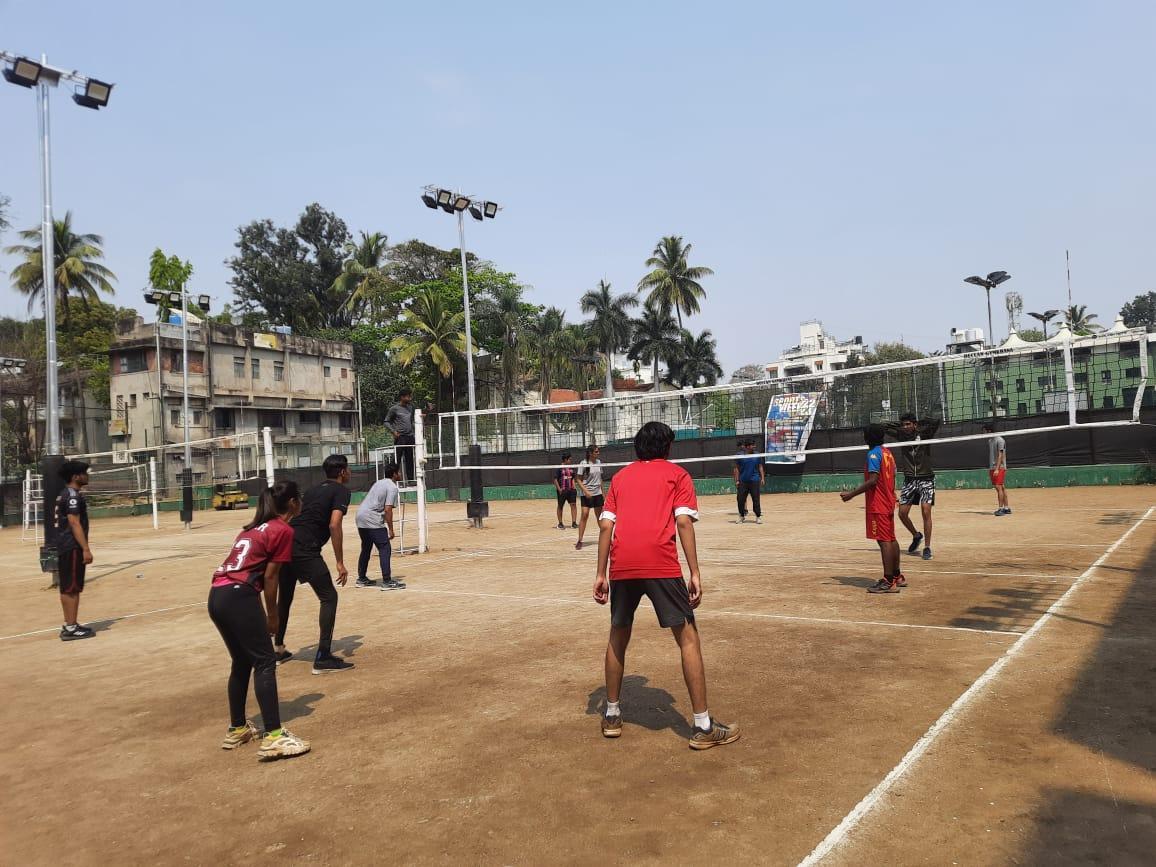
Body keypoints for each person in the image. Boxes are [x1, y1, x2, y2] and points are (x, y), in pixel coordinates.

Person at [592, 421, 740, 750]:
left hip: (623, 565)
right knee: (688, 638)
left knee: (618, 633)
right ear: (668, 448)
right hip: (660, 563)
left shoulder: (620, 477)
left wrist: (601, 573)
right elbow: (683, 521)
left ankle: (612, 715)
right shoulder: (678, 475)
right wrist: (695, 572)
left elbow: (605, 527)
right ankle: (702, 726)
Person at [208, 481, 311, 762]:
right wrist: (273, 616)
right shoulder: (283, 530)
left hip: (217, 594)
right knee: (265, 662)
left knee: (241, 661)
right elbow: (270, 577)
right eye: (299, 498)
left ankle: (237, 728)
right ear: (292, 503)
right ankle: (274, 736)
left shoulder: (252, 528)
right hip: (238, 595)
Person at [274, 454, 355, 674]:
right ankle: (323, 657)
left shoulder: (312, 490)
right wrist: (340, 562)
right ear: (341, 472)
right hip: (304, 547)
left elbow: (293, 516)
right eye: (347, 469)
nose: (349, 472)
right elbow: (334, 525)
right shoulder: (341, 491)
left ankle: (278, 649)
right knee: (329, 597)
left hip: (286, 542)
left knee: (285, 598)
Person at [841, 424, 904, 594]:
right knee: (890, 538)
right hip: (888, 500)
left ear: (868, 438)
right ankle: (897, 576)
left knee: (883, 541)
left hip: (879, 503)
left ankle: (888, 581)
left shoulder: (873, 454)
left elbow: (873, 480)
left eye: (865, 435)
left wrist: (851, 494)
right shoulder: (887, 453)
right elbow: (892, 475)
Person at [884, 412, 940, 560]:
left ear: (915, 424)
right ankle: (916, 535)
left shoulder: (925, 434)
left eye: (908, 424)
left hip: (926, 478)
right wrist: (901, 426)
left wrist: (917, 424)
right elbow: (884, 427)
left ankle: (927, 547)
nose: (905, 427)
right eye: (903, 424)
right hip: (910, 479)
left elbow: (935, 421)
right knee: (902, 513)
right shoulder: (901, 435)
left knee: (926, 511)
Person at [55, 460, 96, 641]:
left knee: (67, 587)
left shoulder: (65, 494)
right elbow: (74, 522)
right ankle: (71, 627)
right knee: (72, 588)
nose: (87, 475)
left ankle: (70, 624)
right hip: (72, 546)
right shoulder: (72, 496)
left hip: (65, 545)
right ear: (75, 477)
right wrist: (85, 548)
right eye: (84, 473)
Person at [355, 462, 406, 590]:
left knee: (366, 547)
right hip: (372, 518)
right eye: (398, 472)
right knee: (384, 548)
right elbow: (388, 509)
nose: (400, 474)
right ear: (394, 474)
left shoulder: (379, 482)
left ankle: (361, 579)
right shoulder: (392, 487)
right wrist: (391, 529)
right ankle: (387, 581)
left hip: (361, 515)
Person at [575, 444, 604, 550]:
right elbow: (578, 479)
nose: (598, 453)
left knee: (600, 517)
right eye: (596, 452)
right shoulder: (583, 463)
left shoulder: (599, 462)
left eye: (598, 451)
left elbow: (600, 479)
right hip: (586, 493)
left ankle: (605, 539)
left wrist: (603, 493)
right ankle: (580, 540)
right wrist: (585, 491)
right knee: (585, 515)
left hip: (597, 493)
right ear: (590, 453)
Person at [385, 387, 416, 484]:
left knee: (410, 459)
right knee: (397, 459)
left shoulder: (411, 408)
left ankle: (410, 480)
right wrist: (393, 432)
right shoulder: (394, 409)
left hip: (410, 436)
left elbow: (413, 421)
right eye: (407, 397)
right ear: (402, 397)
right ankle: (392, 479)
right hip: (400, 437)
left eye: (410, 396)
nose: (409, 398)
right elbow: (386, 422)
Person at [733, 440, 765, 524]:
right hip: (743, 481)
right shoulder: (739, 455)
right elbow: (736, 468)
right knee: (740, 499)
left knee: (756, 499)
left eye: (754, 445)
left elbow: (760, 466)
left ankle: (758, 516)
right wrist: (736, 480)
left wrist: (762, 478)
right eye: (752, 445)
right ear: (747, 447)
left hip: (754, 480)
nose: (754, 446)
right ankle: (741, 516)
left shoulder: (757, 455)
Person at [984, 422, 1011, 516]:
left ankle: (1000, 509)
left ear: (989, 430)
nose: (984, 433)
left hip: (999, 467)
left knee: (998, 487)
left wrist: (997, 468)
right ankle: (1006, 508)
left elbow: (1000, 455)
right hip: (992, 467)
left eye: (985, 431)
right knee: (1001, 487)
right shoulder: (990, 441)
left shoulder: (1000, 440)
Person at [554, 452, 578, 530]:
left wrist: (574, 487)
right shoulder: (559, 468)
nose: (571, 461)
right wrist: (559, 489)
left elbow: (573, 478)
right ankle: (560, 523)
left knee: (573, 505)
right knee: (560, 506)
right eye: (569, 459)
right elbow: (555, 479)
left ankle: (574, 523)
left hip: (571, 490)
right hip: (562, 490)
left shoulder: (571, 468)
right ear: (565, 459)